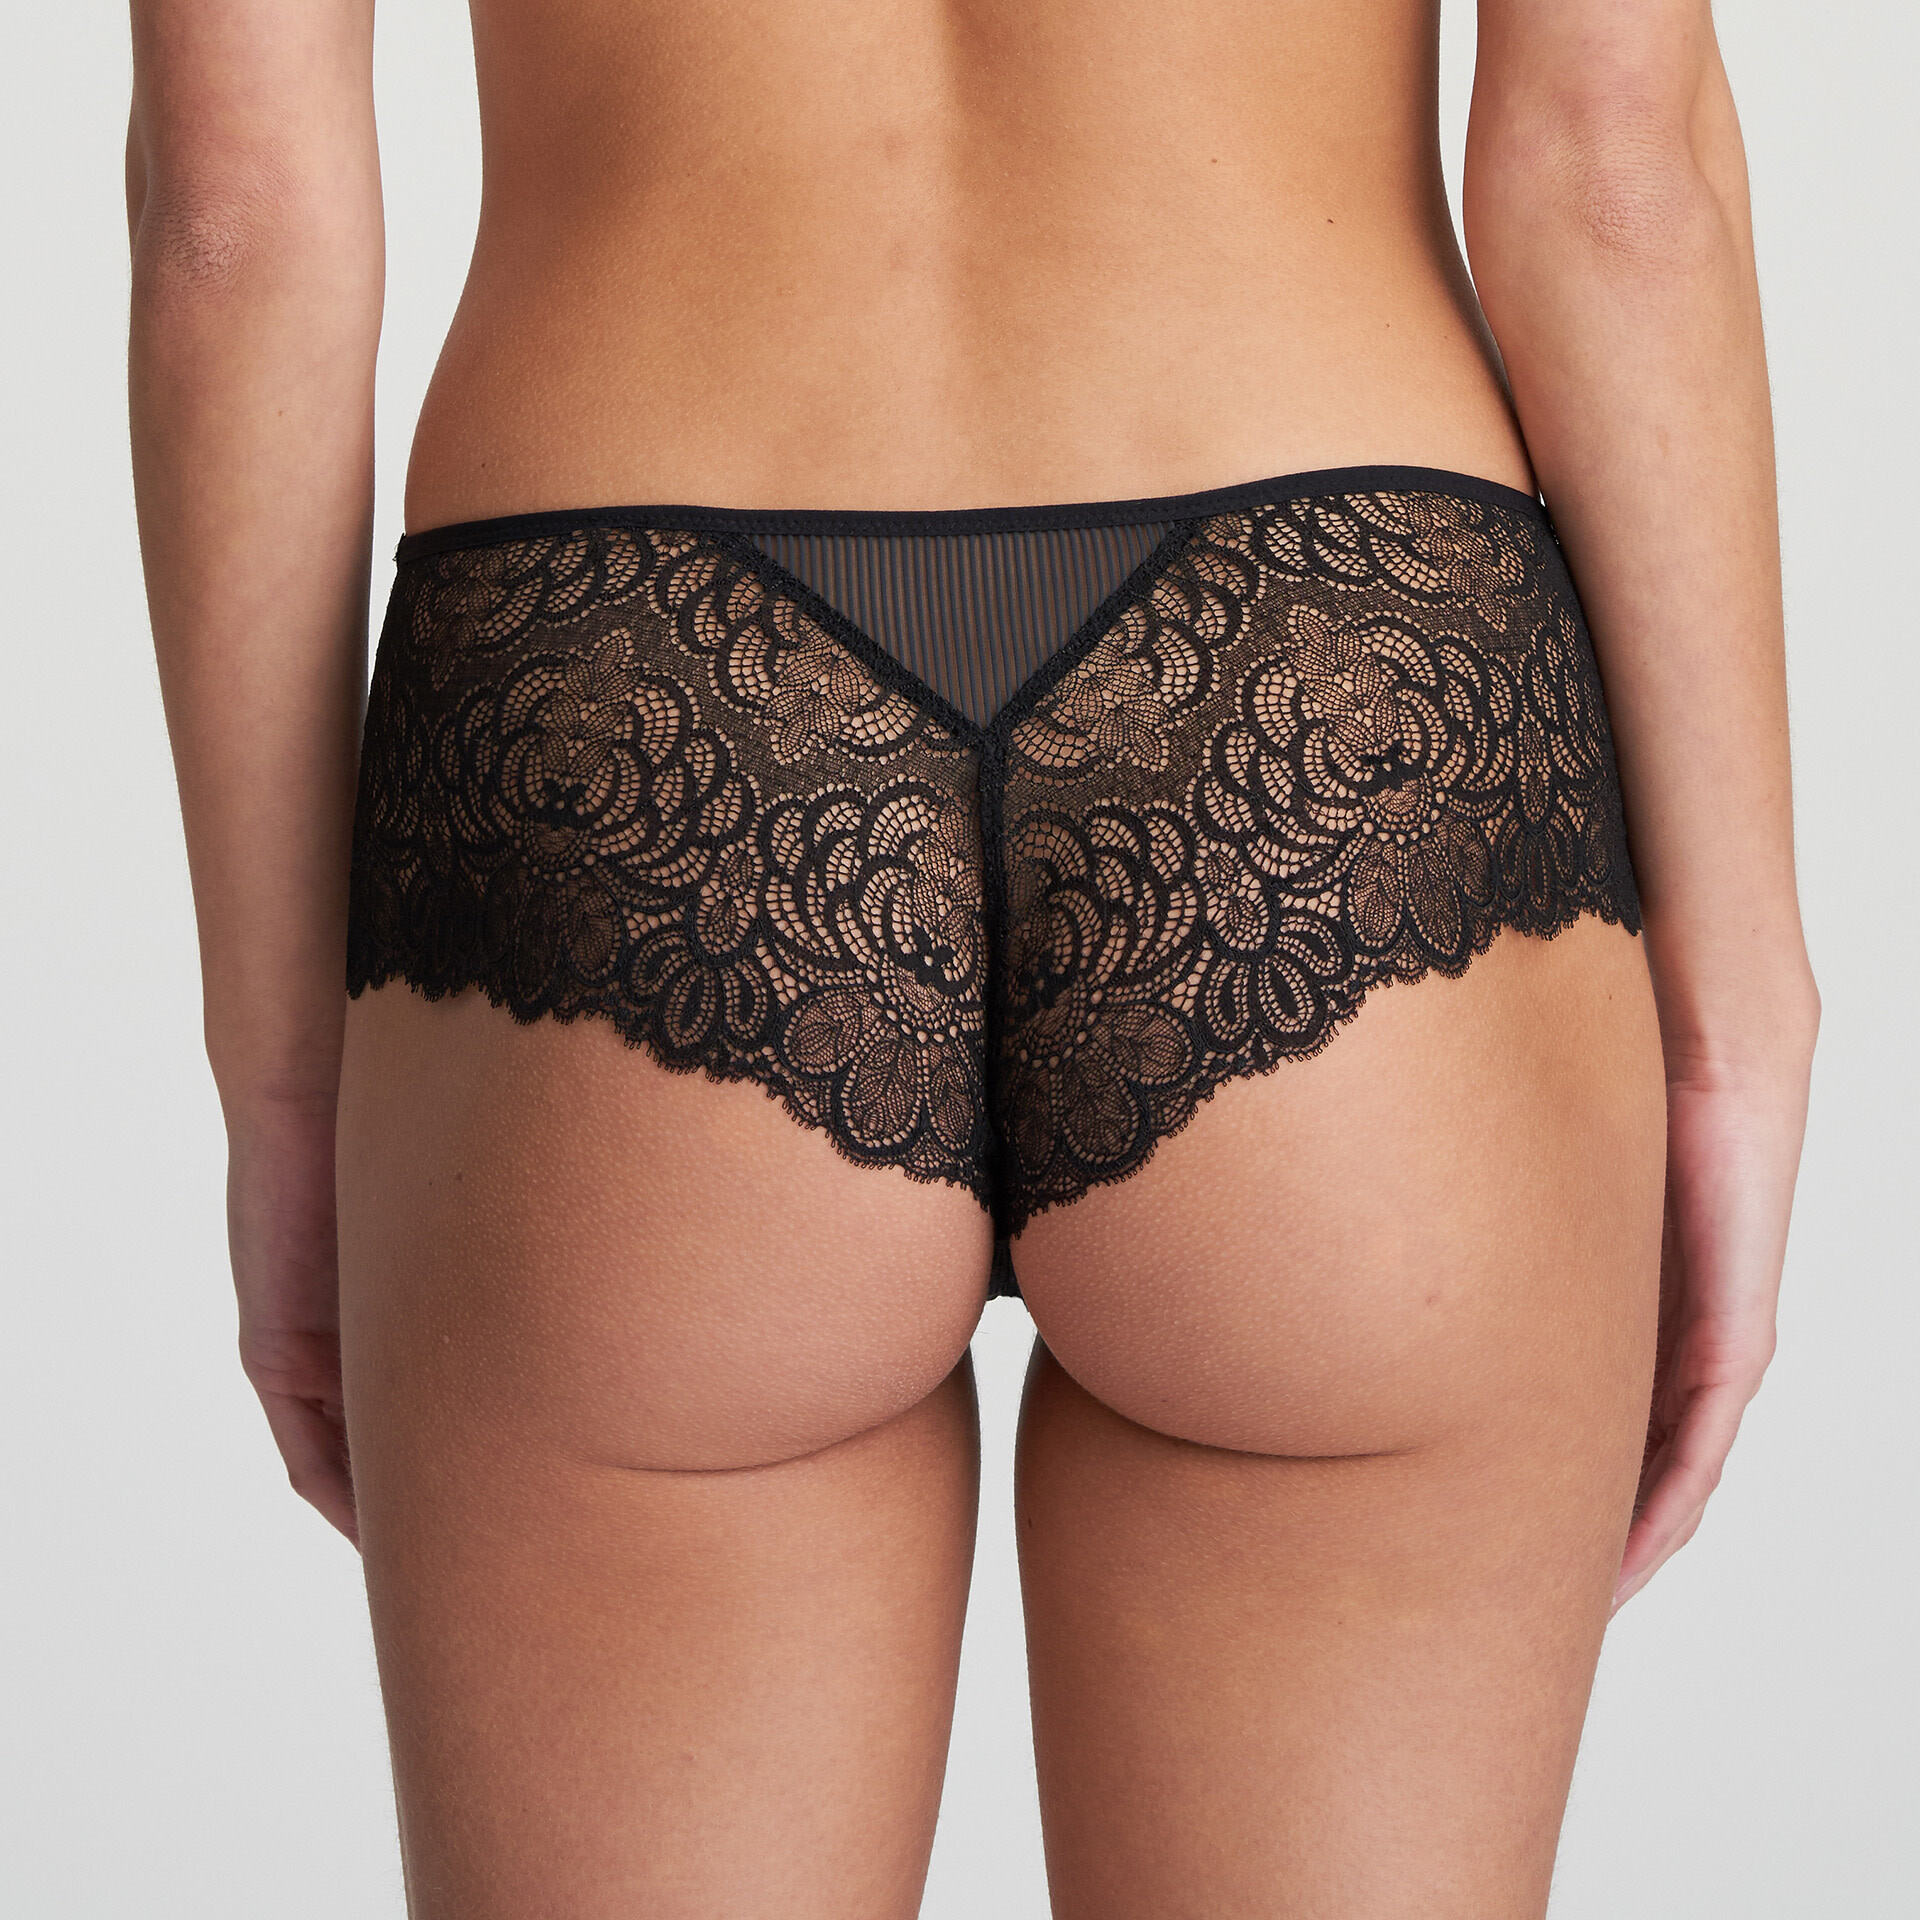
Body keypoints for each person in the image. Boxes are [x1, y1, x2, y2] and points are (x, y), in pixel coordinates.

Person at [126, 1, 1817, 1913]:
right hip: (1328, 672)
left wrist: (282, 1073)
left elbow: (233, 221)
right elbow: (1614, 176)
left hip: (632, 694)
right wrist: (1736, 1016)